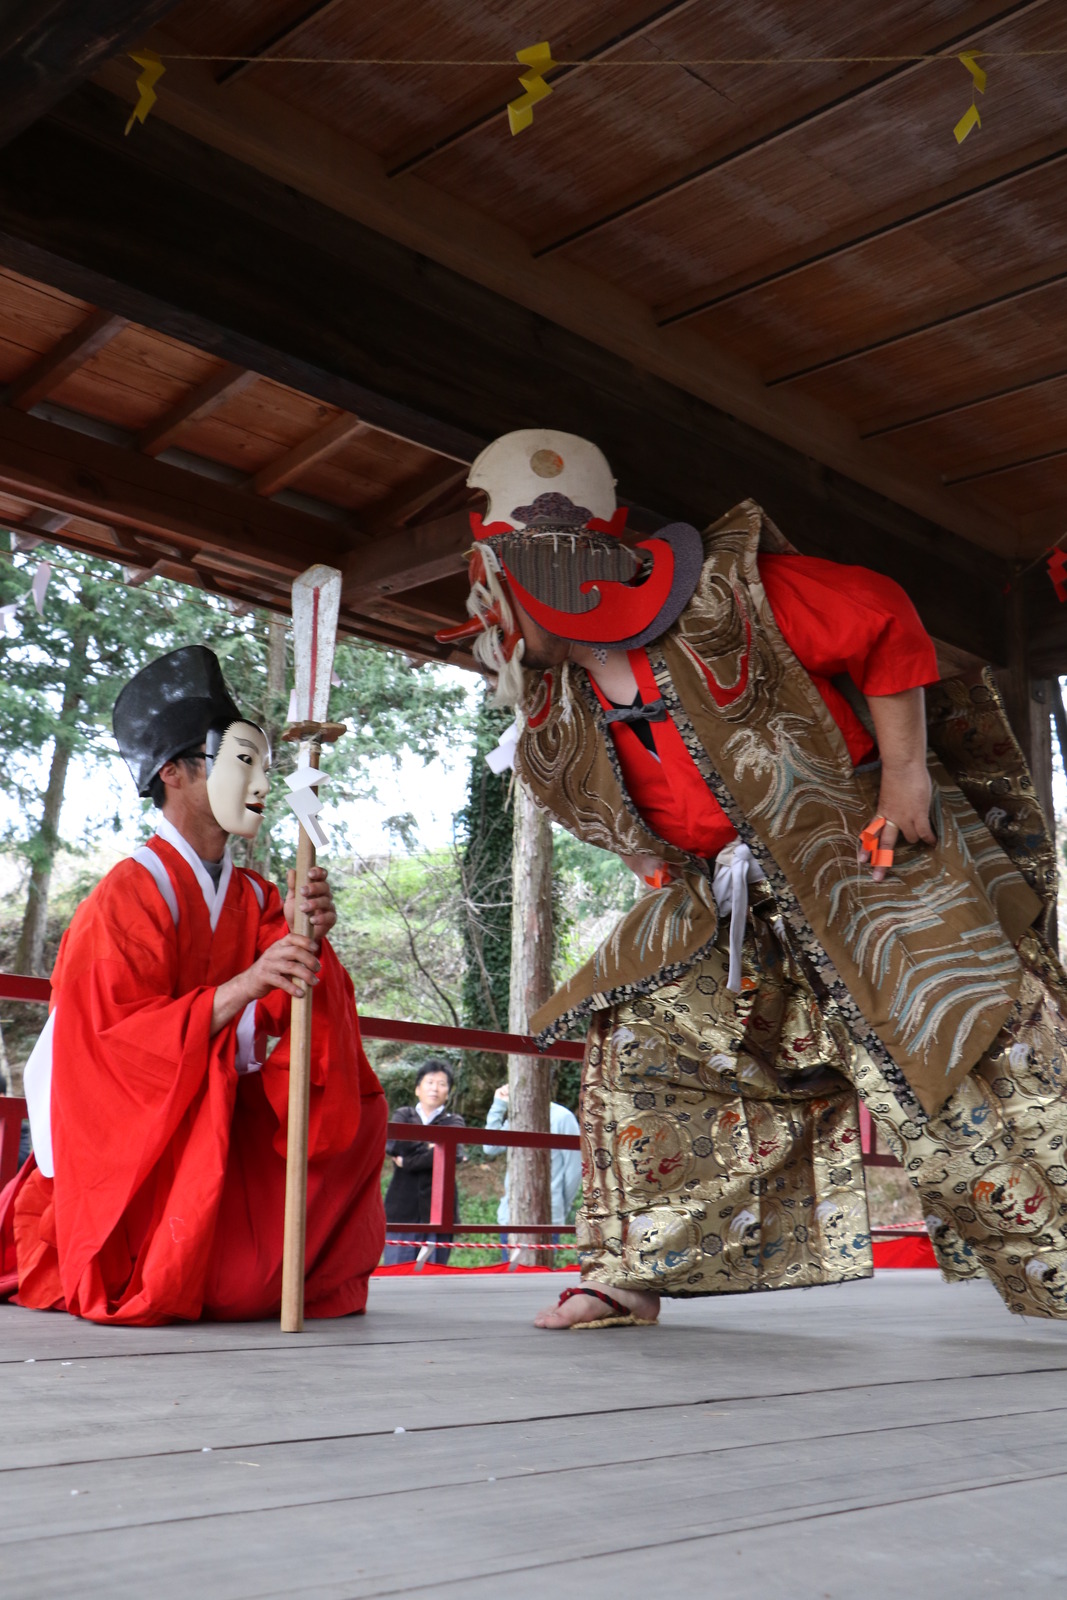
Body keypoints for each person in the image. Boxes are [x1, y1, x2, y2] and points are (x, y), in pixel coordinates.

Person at [440, 427, 1067, 1331]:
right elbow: (610, 810)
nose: (490, 624)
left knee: (971, 1055)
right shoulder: (559, 696)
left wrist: (905, 775)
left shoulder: (731, 595)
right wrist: (652, 861)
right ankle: (629, 1271)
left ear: (547, 577)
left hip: (861, 863)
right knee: (641, 1030)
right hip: (729, 898)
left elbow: (882, 616)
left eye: (497, 596)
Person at [0, 645, 386, 1325]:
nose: (260, 782)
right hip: (136, 1135)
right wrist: (242, 987)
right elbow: (108, 1046)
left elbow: (295, 1012)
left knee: (351, 1115)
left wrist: (308, 943)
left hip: (216, 1117)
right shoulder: (124, 898)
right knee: (222, 1282)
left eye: (263, 765)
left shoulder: (258, 896)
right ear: (173, 774)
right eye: (240, 762)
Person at [483, 1084, 581, 1259]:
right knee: (510, 1280)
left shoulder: (562, 1118)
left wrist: (560, 1207)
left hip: (546, 1216)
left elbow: (574, 1172)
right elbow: (490, 1147)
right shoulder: (518, 1116)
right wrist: (499, 1105)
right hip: (510, 1215)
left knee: (540, 1278)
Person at [383, 1059, 466, 1264]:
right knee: (397, 1273)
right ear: (417, 1089)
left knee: (434, 1278)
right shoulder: (404, 1114)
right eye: (429, 1082)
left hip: (439, 1211)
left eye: (442, 1084)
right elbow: (393, 1146)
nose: (435, 1088)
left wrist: (408, 1161)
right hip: (401, 1210)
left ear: (448, 1092)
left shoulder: (453, 1121)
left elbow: (453, 1154)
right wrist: (432, 1146)